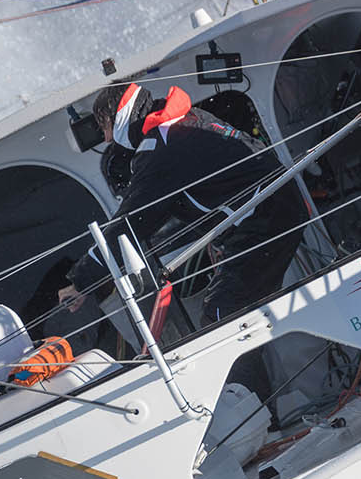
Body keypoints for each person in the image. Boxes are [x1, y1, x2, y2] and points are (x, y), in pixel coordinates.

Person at [58, 81, 304, 327]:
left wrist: (82, 281)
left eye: (105, 127)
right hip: (274, 208)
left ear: (120, 117)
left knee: (220, 321)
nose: (107, 138)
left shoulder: (161, 147)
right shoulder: (188, 119)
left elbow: (133, 221)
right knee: (238, 314)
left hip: (264, 219)